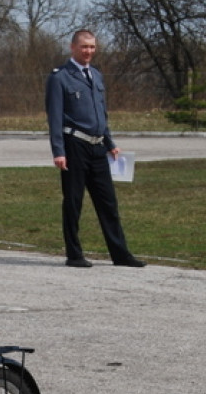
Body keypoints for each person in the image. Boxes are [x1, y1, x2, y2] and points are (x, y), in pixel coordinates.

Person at [45, 29, 145, 268]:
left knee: (108, 202)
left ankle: (120, 254)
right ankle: (74, 254)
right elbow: (55, 117)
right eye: (83, 47)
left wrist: (110, 143)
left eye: (92, 47)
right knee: (73, 201)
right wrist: (58, 151)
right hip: (74, 145)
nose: (88, 51)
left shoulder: (97, 76)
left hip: (97, 146)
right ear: (73, 47)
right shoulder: (60, 77)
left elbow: (102, 114)